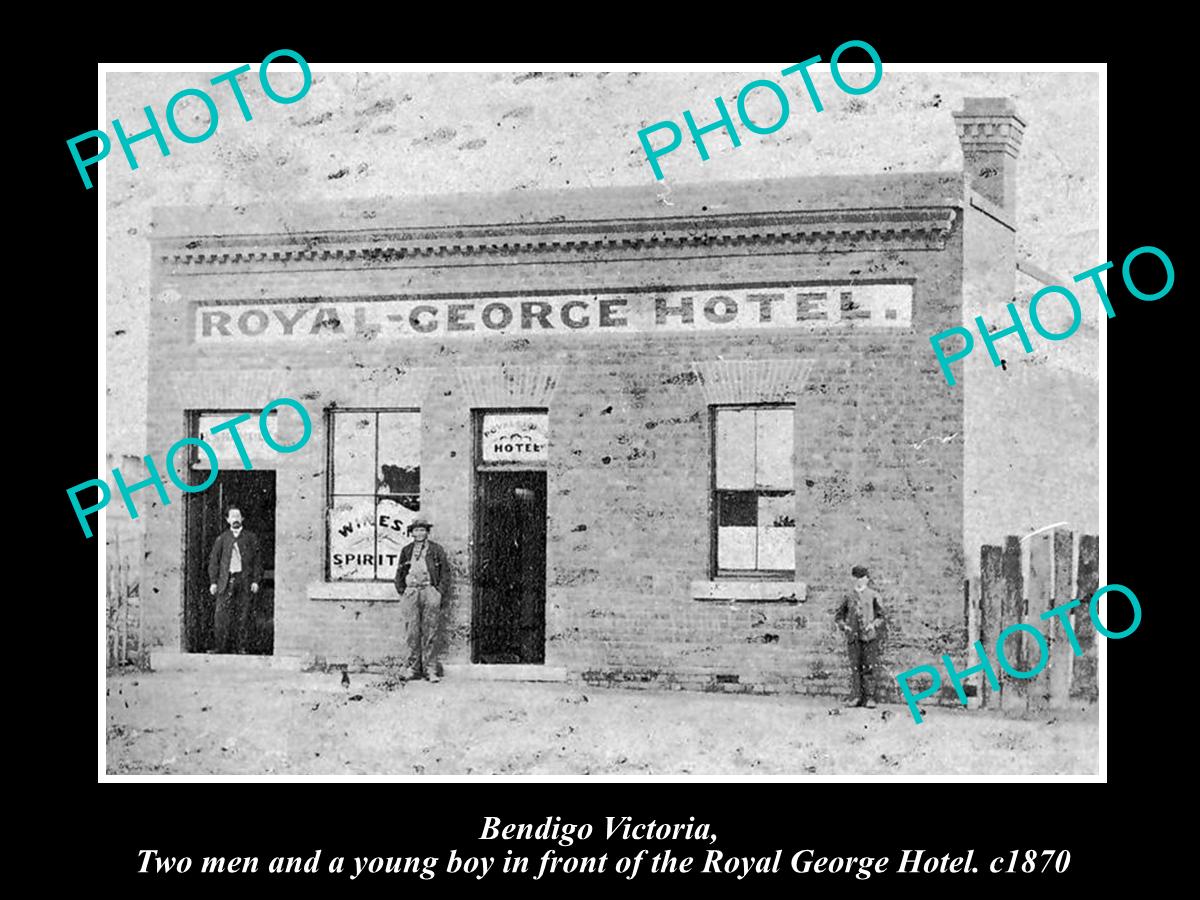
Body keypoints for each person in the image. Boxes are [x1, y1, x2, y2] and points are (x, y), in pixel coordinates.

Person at [394, 515, 450, 682]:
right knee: (412, 631)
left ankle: (430, 669)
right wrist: (403, 590)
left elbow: (445, 573)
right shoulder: (406, 550)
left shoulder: (436, 550)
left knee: (430, 630)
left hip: (429, 591)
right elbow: (400, 572)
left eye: (422, 530)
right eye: (416, 530)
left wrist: (438, 592)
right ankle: (413, 668)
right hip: (411, 592)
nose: (419, 533)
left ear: (427, 532)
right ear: (412, 533)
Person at [207, 507, 262, 654]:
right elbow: (214, 561)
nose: (235, 519)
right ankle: (220, 647)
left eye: (238, 516)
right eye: (232, 516)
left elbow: (257, 561)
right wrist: (213, 582)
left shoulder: (250, 538)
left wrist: (255, 581)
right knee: (221, 615)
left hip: (244, 581)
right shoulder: (222, 539)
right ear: (227, 520)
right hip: (226, 581)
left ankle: (241, 647)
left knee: (243, 614)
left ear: (242, 518)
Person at [835, 565, 886, 708]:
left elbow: (881, 617)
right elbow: (839, 616)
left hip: (869, 637)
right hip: (853, 638)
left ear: (867, 579)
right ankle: (856, 697)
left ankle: (869, 698)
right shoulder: (848, 596)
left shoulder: (873, 595)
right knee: (855, 668)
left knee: (869, 667)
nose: (860, 580)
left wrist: (873, 625)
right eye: (857, 577)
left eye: (862, 578)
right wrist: (845, 626)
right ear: (853, 579)